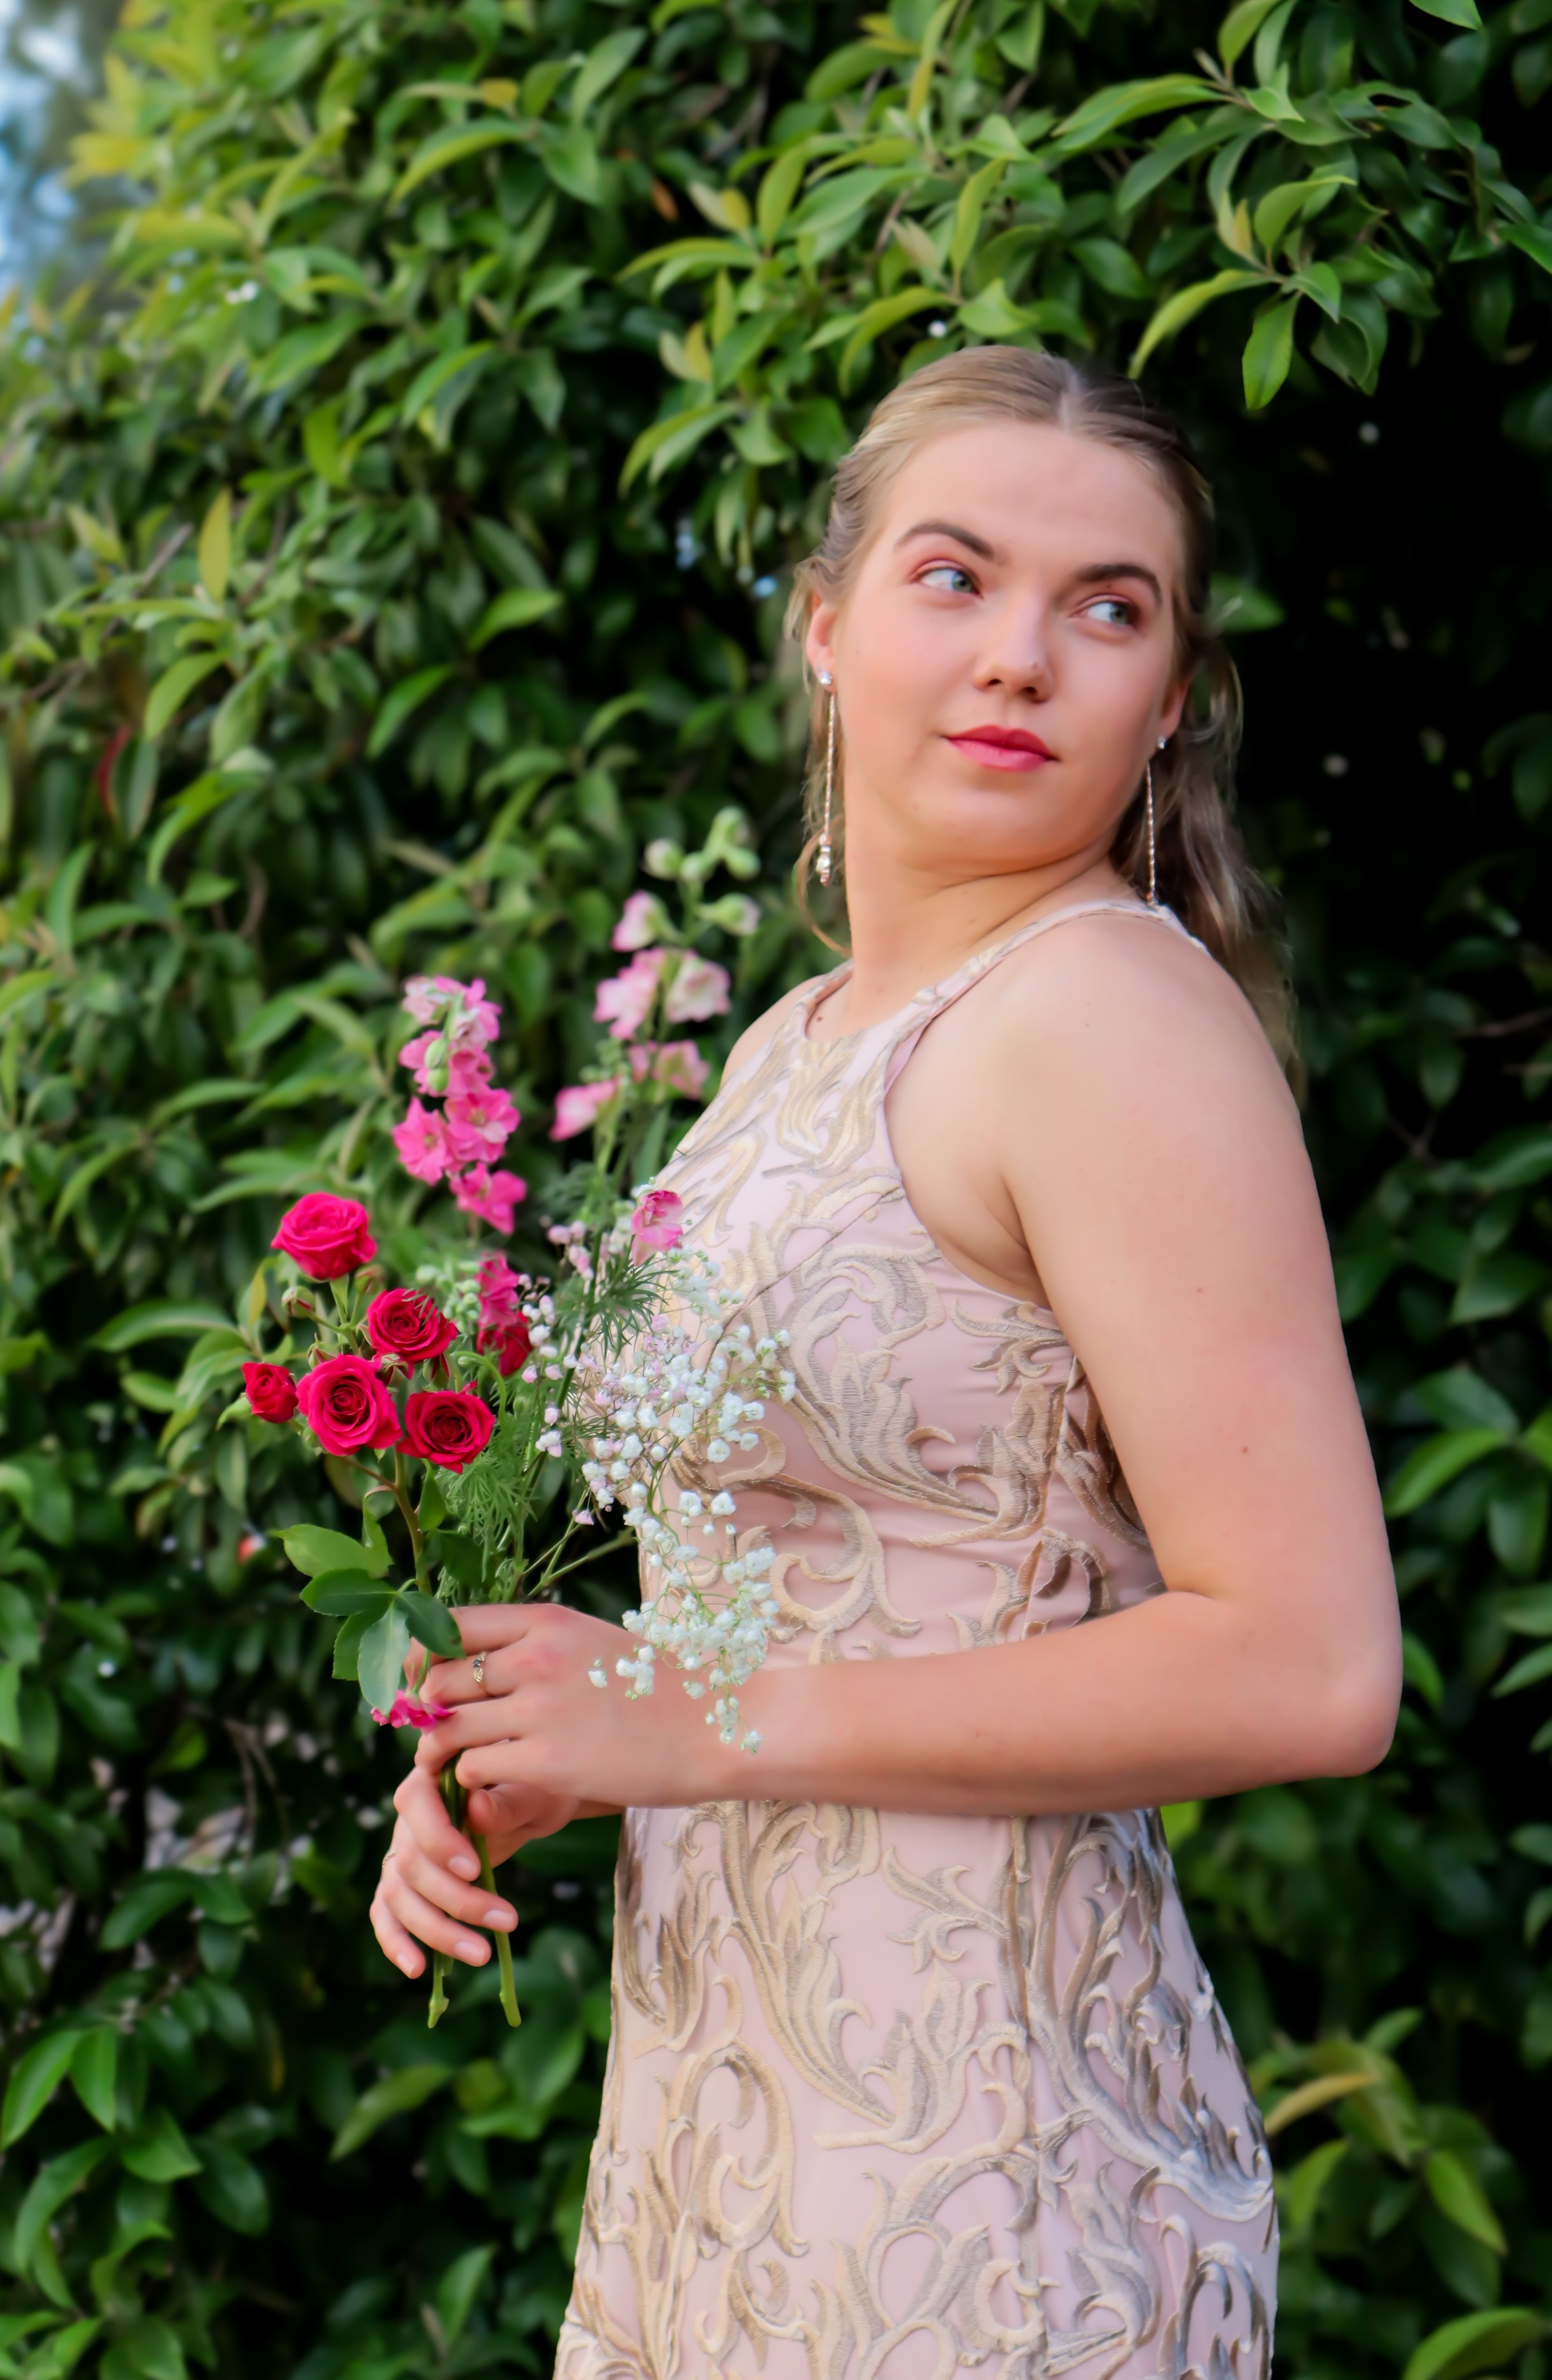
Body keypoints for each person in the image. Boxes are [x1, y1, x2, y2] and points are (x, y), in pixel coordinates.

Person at [369, 346, 1401, 2377]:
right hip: (730, 2136)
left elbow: (1308, 1663)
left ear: (1167, 697)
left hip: (985, 2190)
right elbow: (776, 1613)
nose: (1022, 653)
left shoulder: (1107, 1019)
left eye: (1107, 607)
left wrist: (689, 1714)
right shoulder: (790, 1053)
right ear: (825, 623)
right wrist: (538, 1746)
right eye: (955, 575)